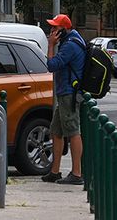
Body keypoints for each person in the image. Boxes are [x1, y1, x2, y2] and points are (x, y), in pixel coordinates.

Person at [43, 13, 86, 185]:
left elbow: (51, 66)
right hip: (65, 92)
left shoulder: (69, 45)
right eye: (52, 27)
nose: (52, 30)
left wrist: (51, 45)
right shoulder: (73, 39)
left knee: (73, 132)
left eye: (55, 28)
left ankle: (76, 174)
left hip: (70, 93)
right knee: (56, 131)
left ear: (64, 29)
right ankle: (55, 171)